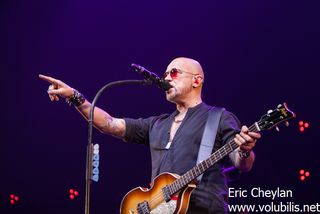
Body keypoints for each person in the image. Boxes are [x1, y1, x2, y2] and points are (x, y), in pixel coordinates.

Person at [39, 57, 261, 213]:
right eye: (165, 74)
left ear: (197, 80)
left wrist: (244, 151)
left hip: (202, 209)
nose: (166, 77)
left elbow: (242, 164)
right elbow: (109, 124)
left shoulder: (218, 117)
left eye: (174, 72)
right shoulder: (157, 124)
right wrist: (75, 97)